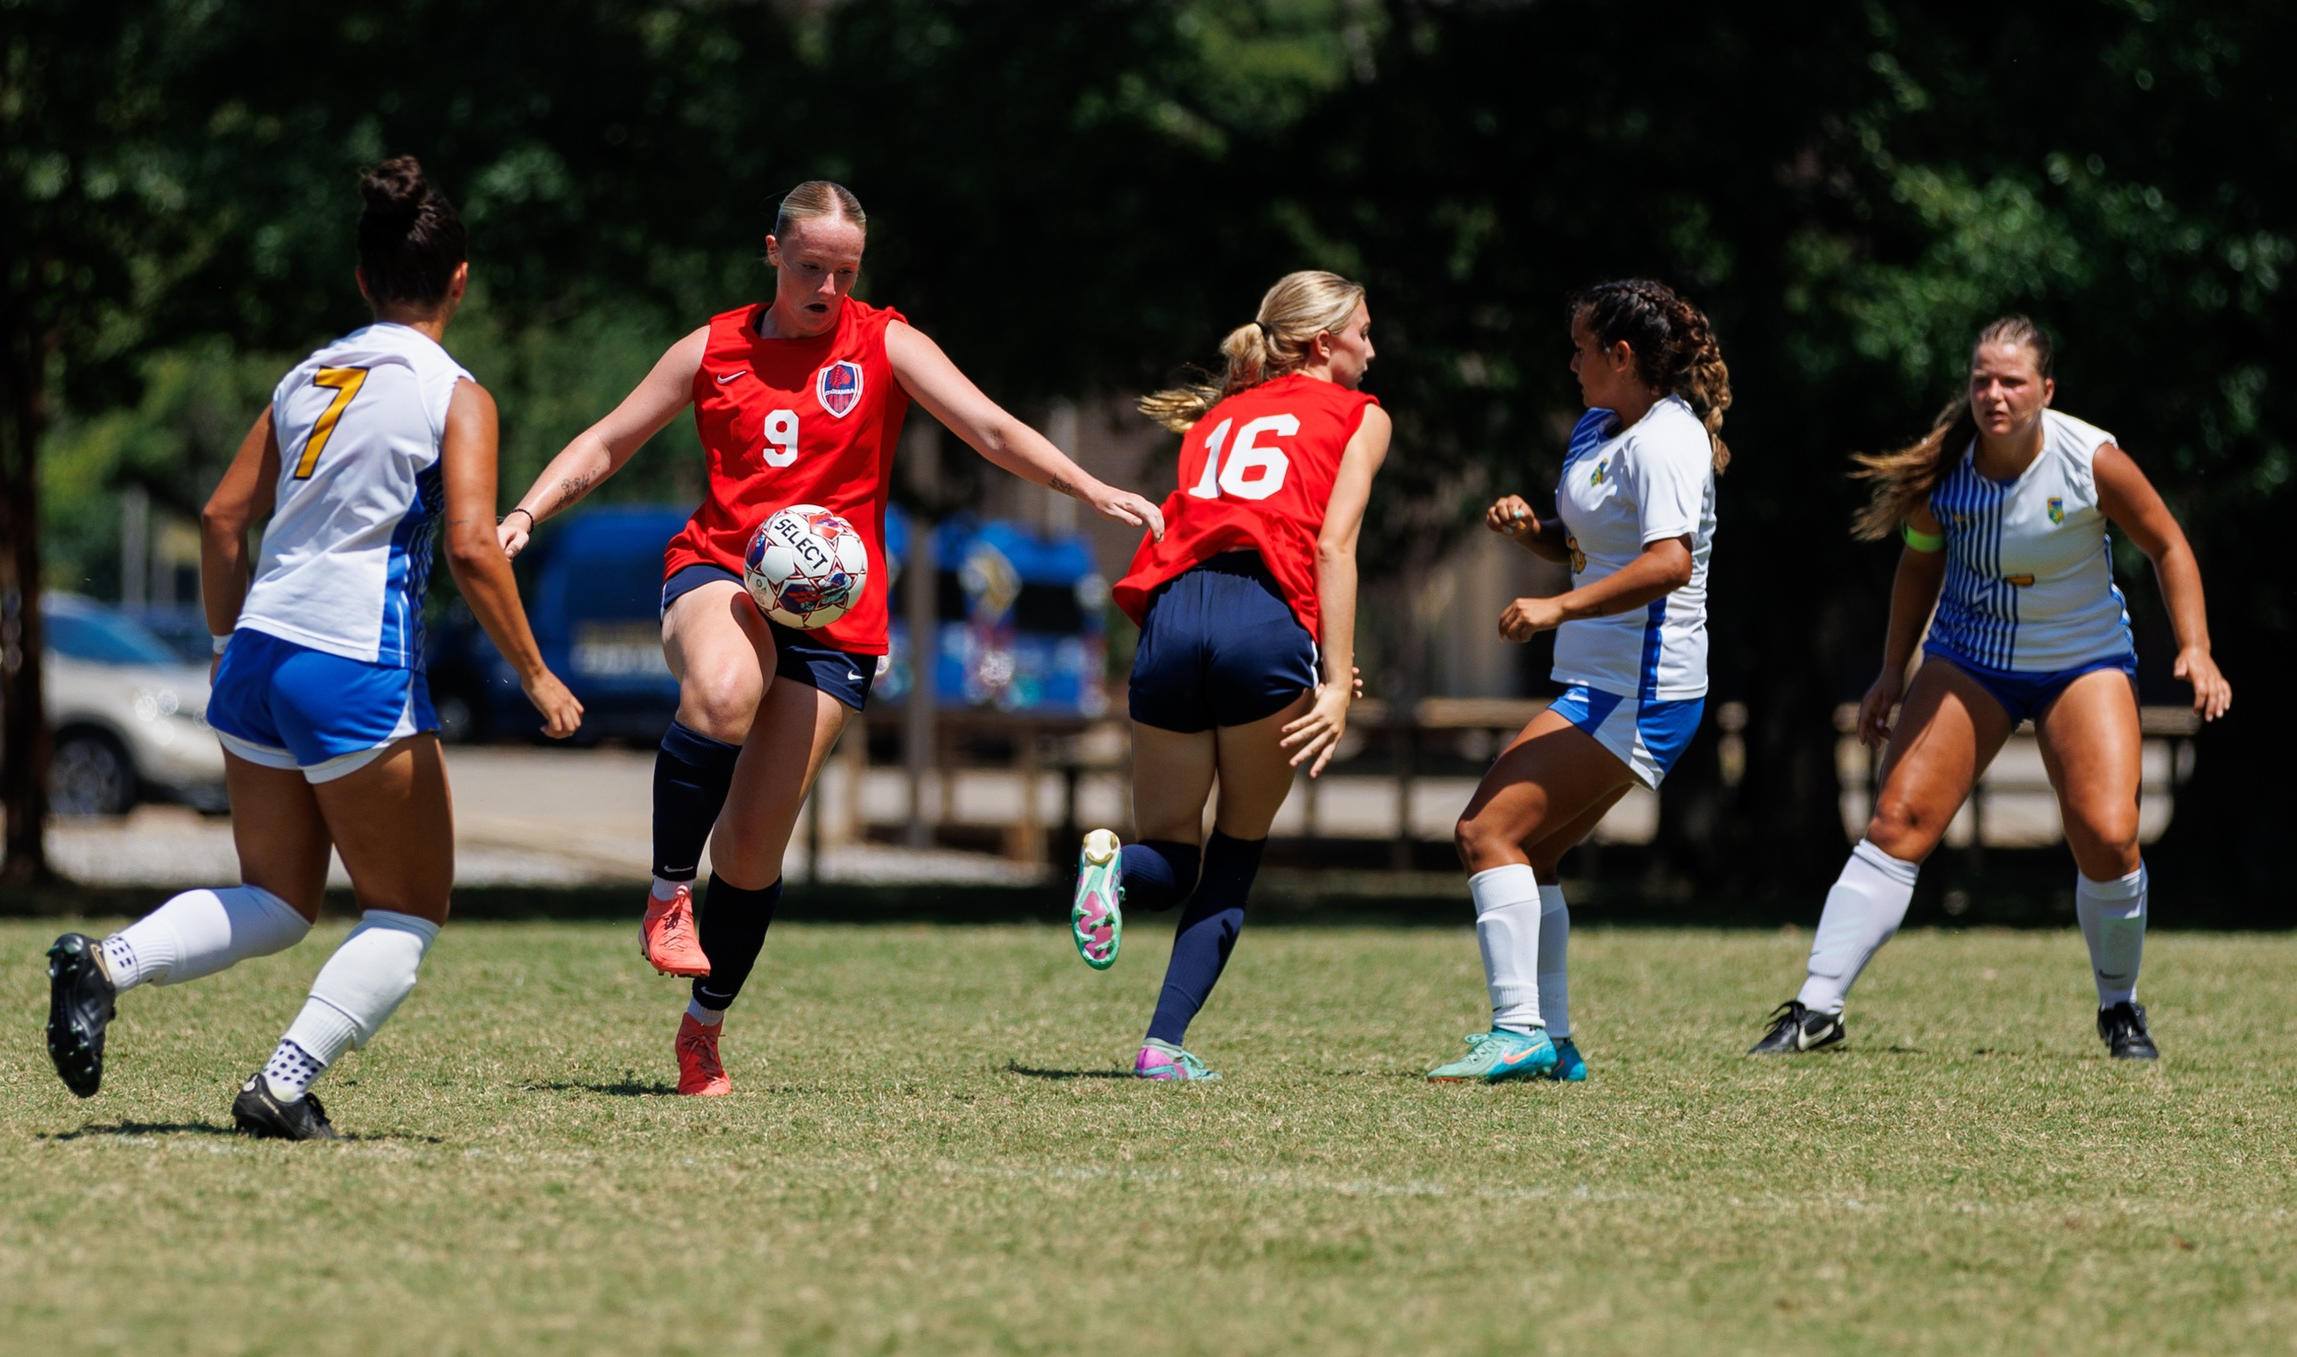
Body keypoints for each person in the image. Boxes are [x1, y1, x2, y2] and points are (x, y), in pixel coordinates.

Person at [499, 180, 1164, 1096]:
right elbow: (609, 440)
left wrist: (1090, 490)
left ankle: (704, 1027)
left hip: (834, 613)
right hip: (722, 571)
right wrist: (528, 509)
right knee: (724, 692)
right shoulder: (712, 346)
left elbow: (988, 426)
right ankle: (663, 894)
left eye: (844, 269)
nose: (827, 285)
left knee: (751, 849)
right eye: (811, 265)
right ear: (771, 253)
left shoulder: (885, 341)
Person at [43, 157, 582, 1139]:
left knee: (278, 897)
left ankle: (104, 964)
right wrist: (537, 674)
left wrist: (219, 642)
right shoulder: (455, 393)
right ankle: (282, 1086)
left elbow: (219, 519)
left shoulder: (306, 378)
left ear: (360, 278)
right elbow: (468, 542)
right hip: (351, 661)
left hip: (254, 657)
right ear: (459, 281)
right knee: (409, 911)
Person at [1752, 315, 2230, 1061]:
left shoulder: (2089, 457)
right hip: (1969, 656)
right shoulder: (1944, 470)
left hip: (2081, 658)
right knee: (1896, 821)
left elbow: (2167, 542)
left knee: (2107, 834)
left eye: (2010, 380)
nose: (1993, 393)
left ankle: (2119, 1006)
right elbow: (1917, 564)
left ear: (2045, 389)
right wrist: (1889, 670)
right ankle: (1816, 1005)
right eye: (1980, 379)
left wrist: (2196, 649)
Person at [1067, 270, 1390, 1080]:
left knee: (1169, 855)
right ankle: (1159, 1046)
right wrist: (1336, 677)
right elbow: (1330, 548)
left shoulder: (1217, 414)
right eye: (1363, 332)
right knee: (1234, 853)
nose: (1372, 349)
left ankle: (1109, 866)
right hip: (1263, 616)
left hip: (1173, 616)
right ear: (1323, 343)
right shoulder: (1363, 415)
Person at [1426, 280, 1730, 1084]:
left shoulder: (1668, 439)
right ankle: (1552, 1040)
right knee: (1534, 850)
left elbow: (1668, 562)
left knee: (1482, 833)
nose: (1571, 362)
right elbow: (1586, 545)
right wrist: (1533, 534)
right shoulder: (1600, 427)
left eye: (1581, 348)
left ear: (1620, 356)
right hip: (1602, 683)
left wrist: (1555, 606)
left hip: (1642, 688)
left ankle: (1517, 1029)